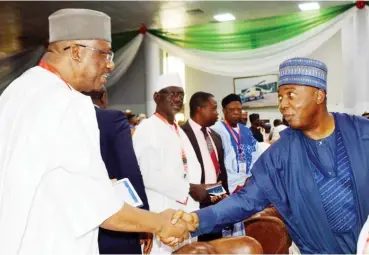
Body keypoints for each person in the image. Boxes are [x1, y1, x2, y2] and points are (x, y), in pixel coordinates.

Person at [0, 8, 190, 254]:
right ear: (77, 51)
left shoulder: (16, 92)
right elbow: (97, 207)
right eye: (105, 53)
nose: (110, 65)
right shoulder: (69, 103)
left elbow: (53, 181)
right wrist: (160, 223)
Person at [174, 57, 369, 254]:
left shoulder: (361, 134)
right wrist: (198, 219)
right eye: (280, 97)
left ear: (319, 95)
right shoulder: (281, 154)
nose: (283, 105)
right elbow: (246, 200)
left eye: (291, 95)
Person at [133, 73, 203, 254]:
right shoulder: (147, 128)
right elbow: (148, 174)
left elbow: (188, 167)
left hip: (186, 212)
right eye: (172, 94)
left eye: (181, 95)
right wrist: (188, 188)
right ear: (157, 97)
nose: (177, 99)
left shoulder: (177, 128)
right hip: (162, 214)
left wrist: (203, 189)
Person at [83, 87, 151, 254]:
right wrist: (144, 221)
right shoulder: (111, 119)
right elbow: (129, 171)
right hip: (114, 220)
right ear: (104, 97)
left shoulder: (57, 120)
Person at [181, 92, 230, 241]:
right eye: (214, 109)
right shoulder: (182, 133)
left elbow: (219, 172)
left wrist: (221, 197)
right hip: (193, 203)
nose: (217, 113)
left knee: (216, 245)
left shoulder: (215, 135)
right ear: (199, 109)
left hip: (215, 202)